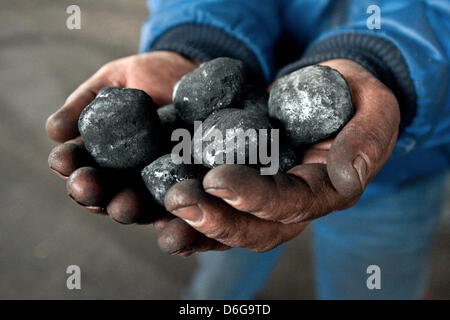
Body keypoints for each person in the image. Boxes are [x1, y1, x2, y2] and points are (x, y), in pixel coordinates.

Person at [46, 0, 450, 299]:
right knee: (221, 232)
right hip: (237, 179)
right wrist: (199, 37)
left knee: (375, 282)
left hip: (403, 165)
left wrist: (385, 62)